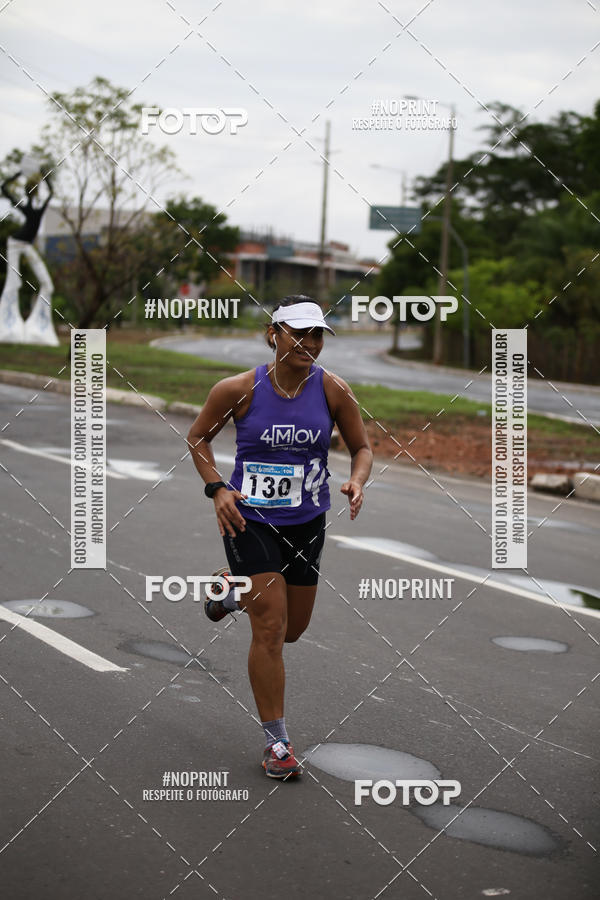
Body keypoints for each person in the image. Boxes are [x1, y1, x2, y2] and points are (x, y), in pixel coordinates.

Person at [187, 296, 373, 779]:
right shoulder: (237, 389)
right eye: (299, 333)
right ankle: (278, 744)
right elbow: (197, 438)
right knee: (270, 627)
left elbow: (363, 447)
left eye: (317, 336)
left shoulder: (333, 391)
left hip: (307, 521)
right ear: (274, 334)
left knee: (293, 630)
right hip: (249, 520)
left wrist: (357, 480)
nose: (309, 343)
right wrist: (216, 489)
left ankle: (229, 593)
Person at [0, 167, 58, 345]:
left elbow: (51, 193)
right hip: (15, 245)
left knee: (47, 284)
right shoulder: (25, 207)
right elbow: (4, 188)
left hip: (27, 245)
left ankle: (38, 325)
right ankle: (8, 325)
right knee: (13, 282)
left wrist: (43, 175)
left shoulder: (38, 208)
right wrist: (17, 174)